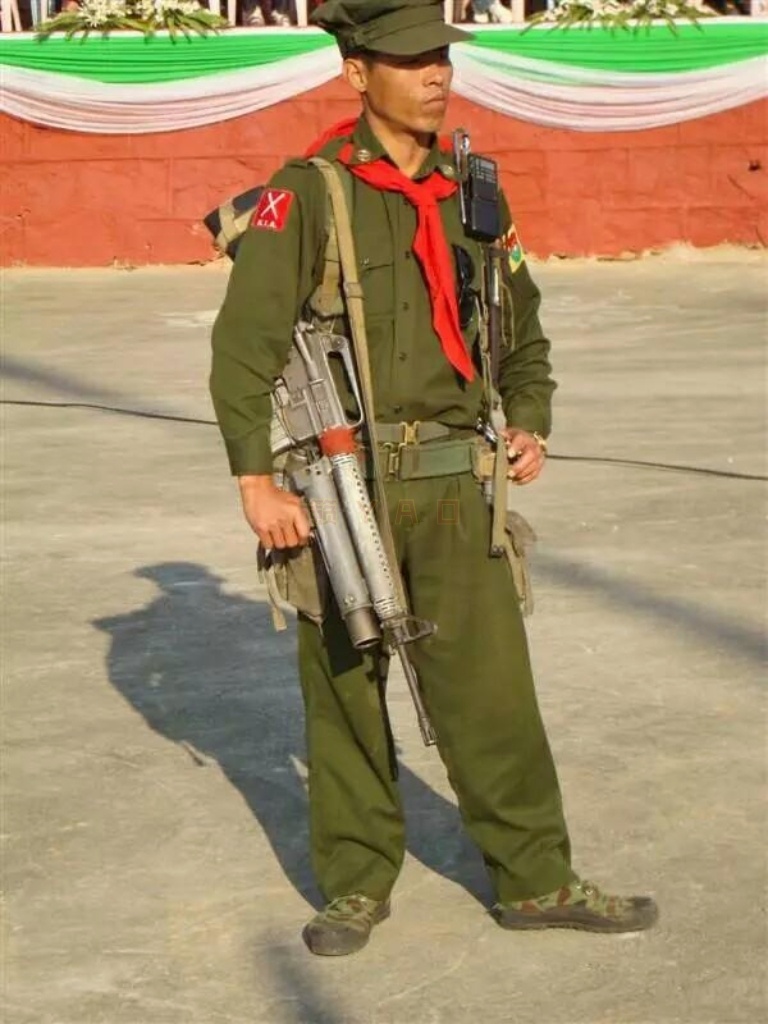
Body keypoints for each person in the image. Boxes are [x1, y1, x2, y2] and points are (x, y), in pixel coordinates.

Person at [210, 0, 658, 957]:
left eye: (441, 58)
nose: (435, 75)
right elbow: (242, 347)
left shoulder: (473, 194)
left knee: (494, 697)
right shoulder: (309, 193)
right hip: (342, 491)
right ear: (356, 72)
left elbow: (521, 326)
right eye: (410, 59)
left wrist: (529, 418)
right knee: (345, 697)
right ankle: (355, 883)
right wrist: (256, 483)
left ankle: (535, 880)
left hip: (457, 485)